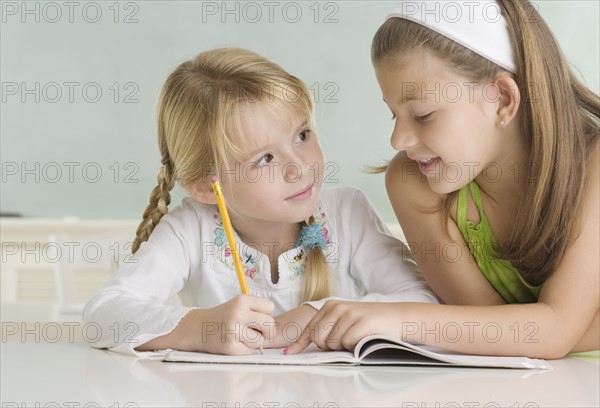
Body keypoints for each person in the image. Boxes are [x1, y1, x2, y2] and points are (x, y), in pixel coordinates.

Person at [287, 0, 599, 359]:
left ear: (501, 99)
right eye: (393, 115)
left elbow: (546, 333)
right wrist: (564, 330)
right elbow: (489, 327)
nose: (398, 140)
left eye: (423, 115)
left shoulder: (594, 166)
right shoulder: (412, 184)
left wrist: (397, 319)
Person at [82, 47, 438, 356]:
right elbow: (103, 315)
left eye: (302, 135)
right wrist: (201, 327)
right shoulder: (191, 228)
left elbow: (424, 302)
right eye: (265, 159)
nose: (298, 168)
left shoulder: (347, 213)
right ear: (207, 187)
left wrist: (314, 315)